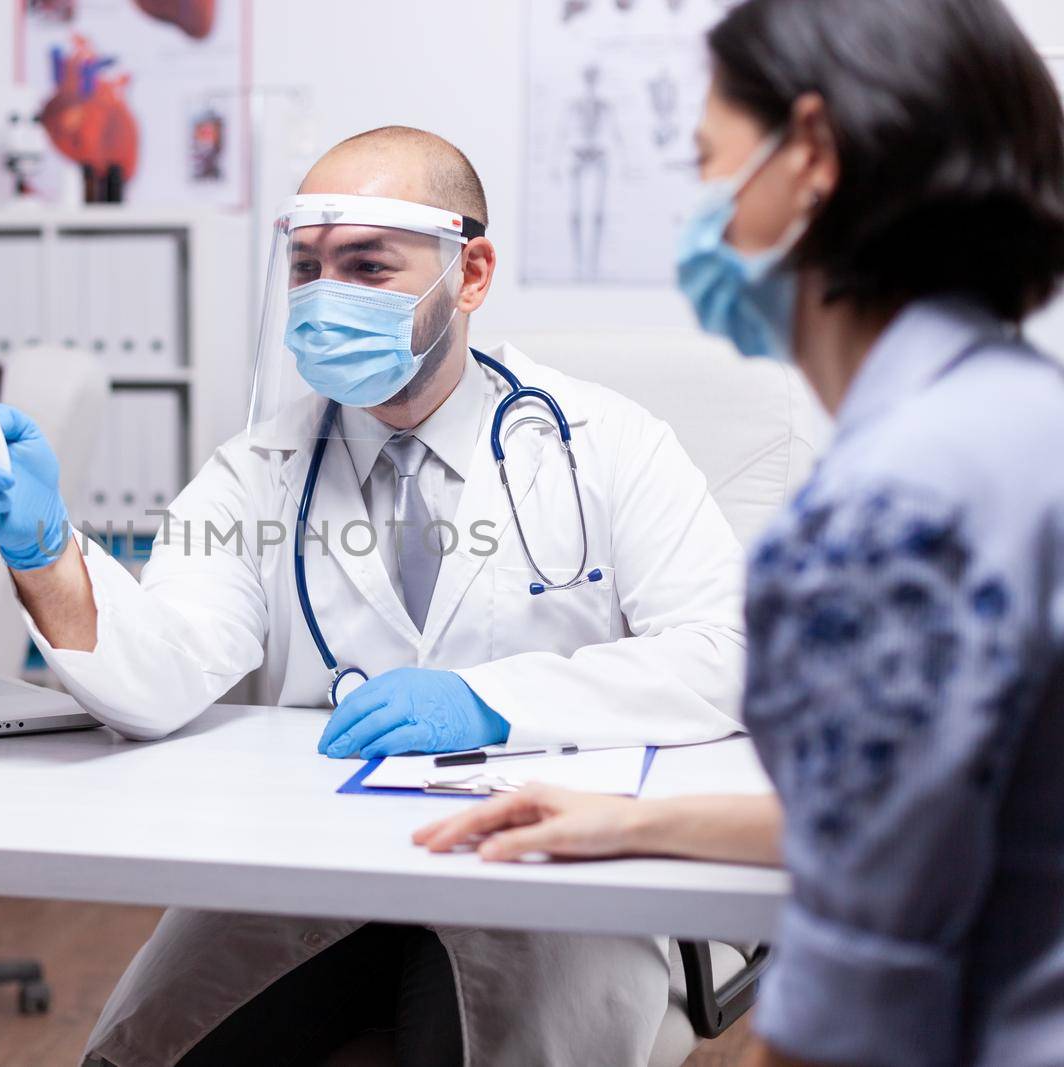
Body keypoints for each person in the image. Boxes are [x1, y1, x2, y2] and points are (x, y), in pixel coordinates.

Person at [0, 126, 750, 1064]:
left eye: (367, 265)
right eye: (309, 268)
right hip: (307, 863)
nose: (325, 300)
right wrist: (43, 549)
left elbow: (725, 649)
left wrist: (492, 701)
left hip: (537, 870)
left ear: (470, 274)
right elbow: (163, 670)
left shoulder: (605, 443)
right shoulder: (259, 468)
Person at [419, 2, 1064, 1065]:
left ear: (808, 154)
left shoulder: (887, 509)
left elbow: (856, 999)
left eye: (706, 160)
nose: (702, 210)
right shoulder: (1019, 423)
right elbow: (928, 820)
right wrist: (622, 821)